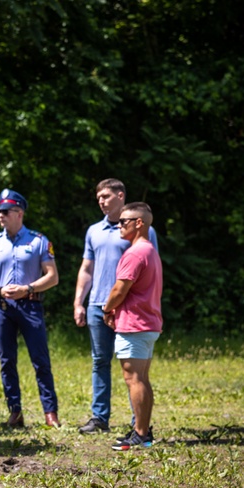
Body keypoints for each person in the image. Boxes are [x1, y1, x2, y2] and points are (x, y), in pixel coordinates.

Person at [73, 179, 159, 435]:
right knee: (100, 361)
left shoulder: (140, 229)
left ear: (121, 196)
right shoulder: (93, 231)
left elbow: (147, 271)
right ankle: (100, 418)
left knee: (134, 369)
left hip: (128, 309)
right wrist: (79, 302)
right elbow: (87, 268)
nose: (101, 200)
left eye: (106, 196)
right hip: (99, 305)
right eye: (98, 196)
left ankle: (138, 423)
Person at [0, 189, 60, 428]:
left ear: (19, 213)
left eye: (6, 212)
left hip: (30, 305)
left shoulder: (38, 241)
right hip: (2, 307)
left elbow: (52, 277)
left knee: (40, 360)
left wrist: (28, 288)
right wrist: (0, 290)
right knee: (6, 361)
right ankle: (15, 412)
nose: (1, 216)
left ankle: (50, 412)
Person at [103, 202, 163, 450]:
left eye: (124, 221)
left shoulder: (135, 252)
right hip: (148, 322)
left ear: (139, 223)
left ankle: (140, 433)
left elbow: (119, 289)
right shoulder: (149, 250)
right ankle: (143, 430)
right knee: (142, 379)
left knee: (134, 379)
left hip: (135, 324)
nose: (119, 225)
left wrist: (106, 309)